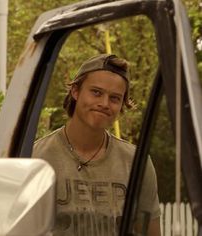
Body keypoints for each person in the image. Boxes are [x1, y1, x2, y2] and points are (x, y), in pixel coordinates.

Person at [32, 54, 161, 236]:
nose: (104, 104)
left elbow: (151, 233)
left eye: (115, 98)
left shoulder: (137, 163)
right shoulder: (37, 158)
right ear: (75, 91)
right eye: (96, 92)